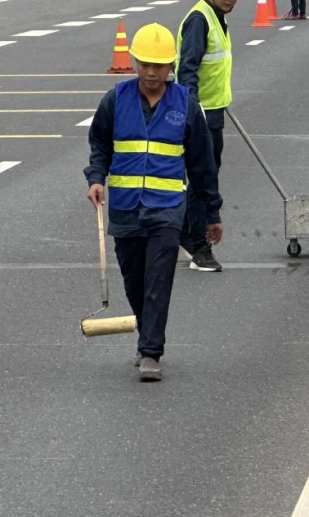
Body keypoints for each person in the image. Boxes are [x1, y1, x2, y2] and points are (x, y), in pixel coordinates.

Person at [85, 23, 223, 382]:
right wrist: (96, 179)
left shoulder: (185, 105)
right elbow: (99, 145)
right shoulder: (115, 100)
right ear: (134, 62)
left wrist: (212, 212)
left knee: (158, 279)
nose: (151, 71)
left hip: (166, 209)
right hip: (126, 208)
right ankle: (146, 335)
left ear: (170, 67)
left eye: (159, 65)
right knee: (134, 279)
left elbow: (202, 164)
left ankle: (150, 351)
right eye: (145, 63)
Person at [174, 0, 245, 273]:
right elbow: (186, 70)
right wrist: (195, 113)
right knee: (204, 179)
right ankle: (198, 246)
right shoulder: (200, 19)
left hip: (213, 110)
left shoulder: (216, 17)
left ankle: (189, 236)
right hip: (200, 115)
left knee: (206, 175)